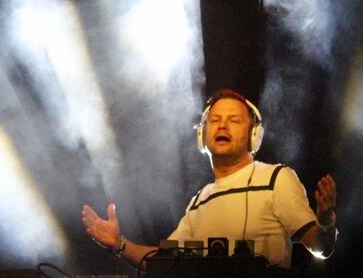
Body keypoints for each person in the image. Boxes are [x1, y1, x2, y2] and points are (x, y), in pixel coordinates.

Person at [82, 88, 338, 270]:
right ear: (203, 137)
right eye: (215, 120)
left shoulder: (276, 178)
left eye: (234, 120)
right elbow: (163, 262)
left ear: (254, 137)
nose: (222, 126)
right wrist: (120, 244)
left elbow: (320, 247)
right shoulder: (198, 201)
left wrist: (325, 221)